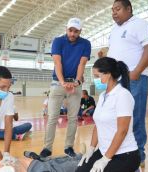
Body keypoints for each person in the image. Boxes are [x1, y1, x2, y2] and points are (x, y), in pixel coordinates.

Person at [106, 0, 148, 168]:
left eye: (118, 9)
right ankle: (121, 154)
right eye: (112, 10)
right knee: (117, 120)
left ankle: (137, 157)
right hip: (117, 81)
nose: (114, 12)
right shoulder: (114, 31)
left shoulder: (141, 24)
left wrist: (135, 72)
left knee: (134, 120)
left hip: (135, 79)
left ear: (129, 9)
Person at [76, 57, 140, 172]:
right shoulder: (102, 96)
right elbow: (98, 125)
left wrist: (105, 159)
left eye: (97, 76)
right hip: (103, 150)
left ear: (108, 74)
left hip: (125, 154)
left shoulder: (123, 95)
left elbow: (122, 131)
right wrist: (91, 149)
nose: (95, 79)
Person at [40, 17, 91, 158]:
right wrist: (63, 82)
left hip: (75, 84)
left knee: (73, 117)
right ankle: (47, 148)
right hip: (58, 83)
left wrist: (77, 82)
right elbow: (57, 63)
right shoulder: (58, 41)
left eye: (76, 31)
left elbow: (82, 65)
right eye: (70, 30)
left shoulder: (86, 43)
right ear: (66, 29)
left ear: (80, 31)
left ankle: (69, 147)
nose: (73, 34)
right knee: (52, 117)